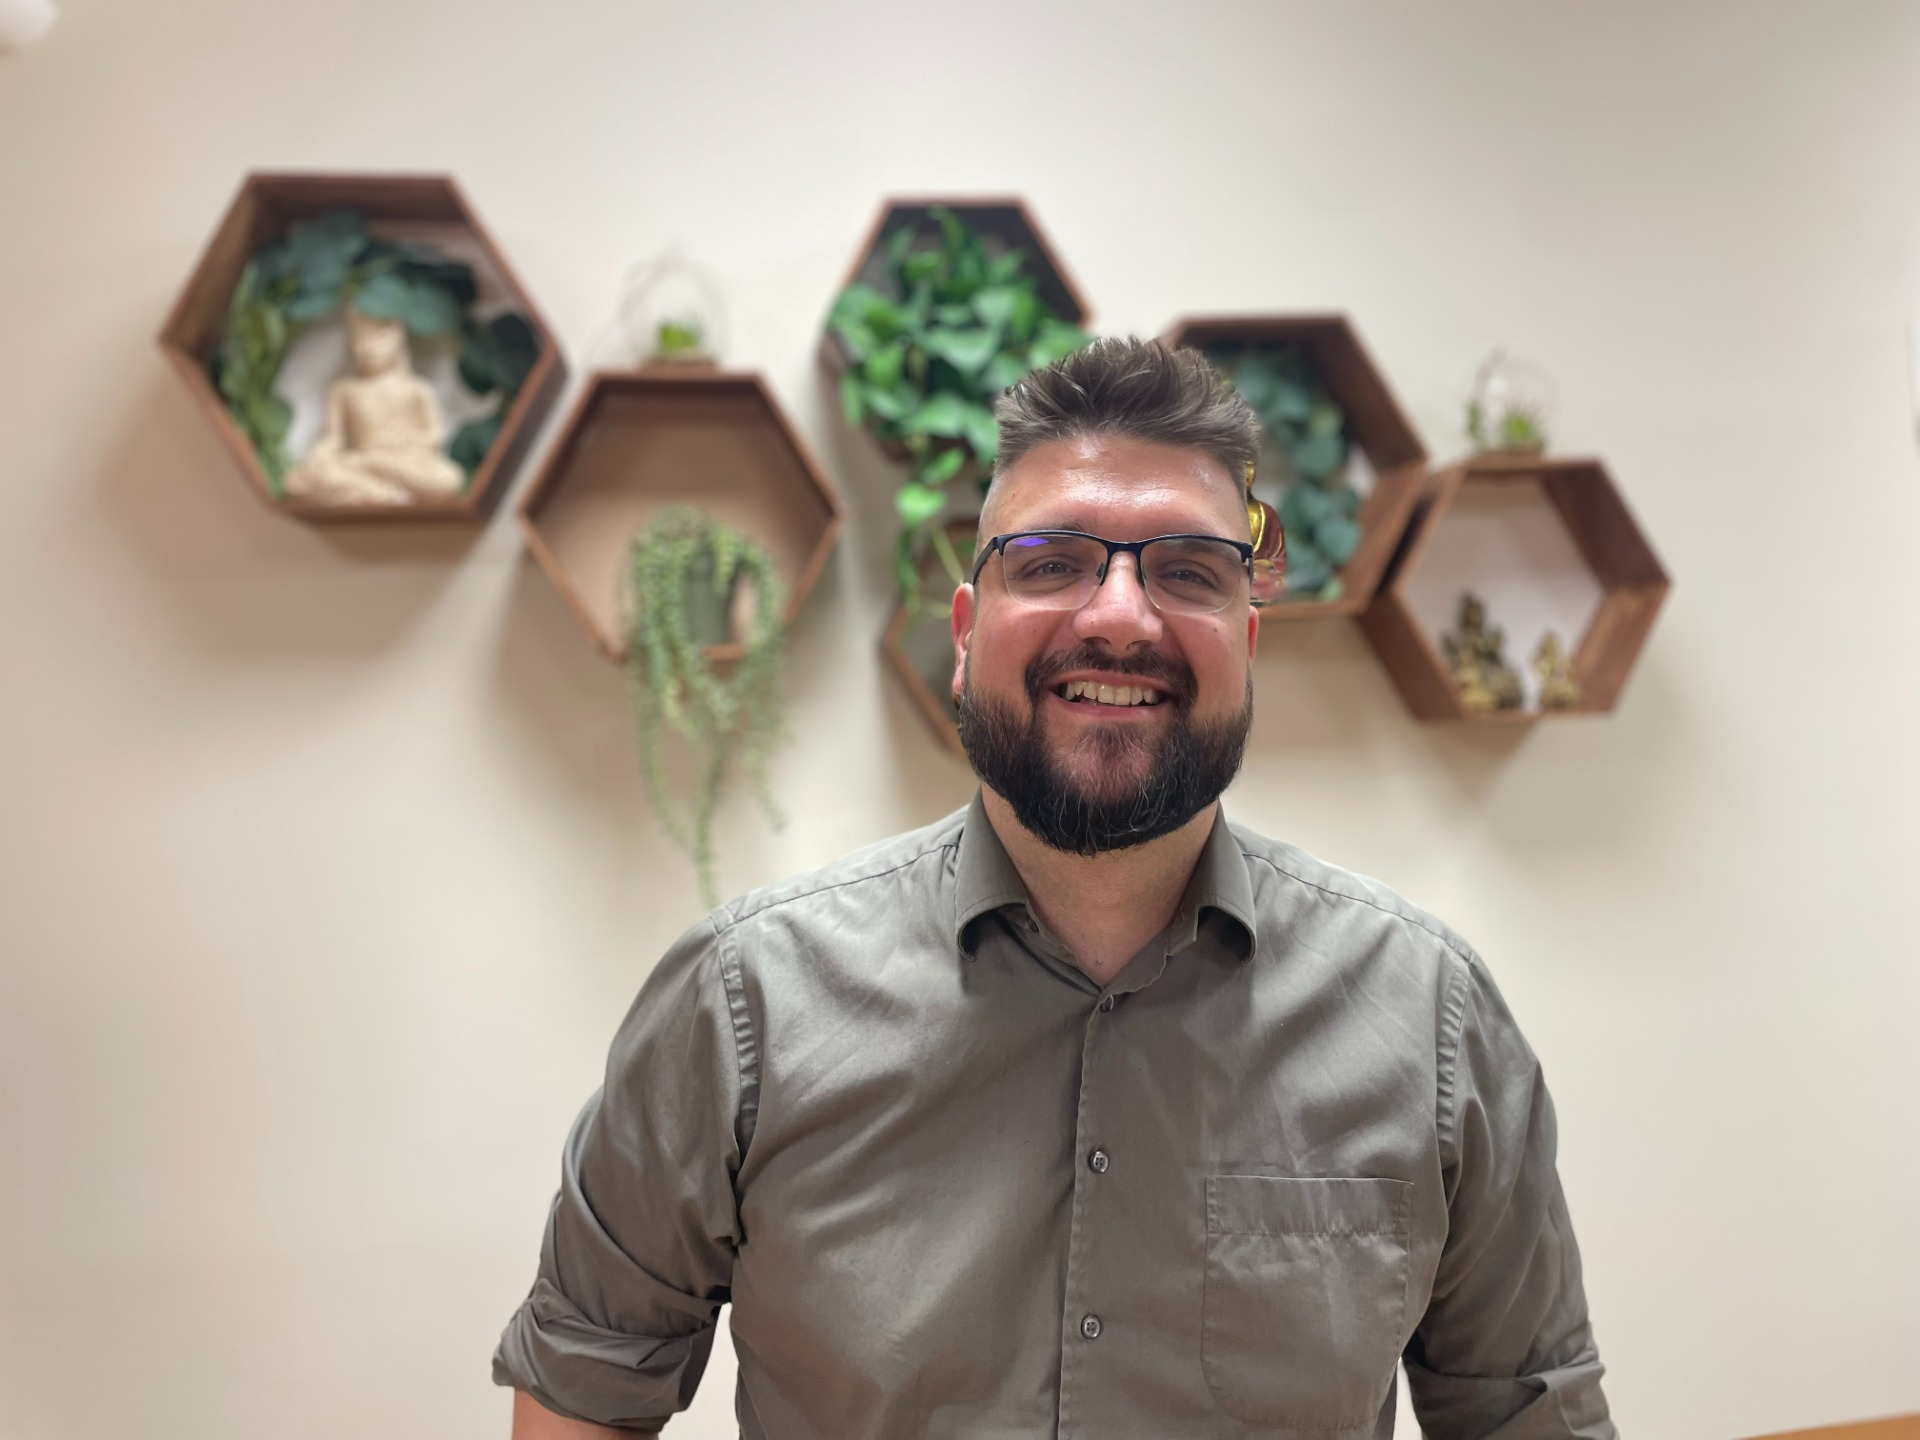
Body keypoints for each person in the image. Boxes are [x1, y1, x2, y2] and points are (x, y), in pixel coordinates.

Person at [494, 338, 1615, 1439]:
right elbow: (585, 1391)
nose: (1120, 615)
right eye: (1049, 563)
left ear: (1246, 644)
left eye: (1189, 571)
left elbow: (1528, 1415)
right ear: (965, 635)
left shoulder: (1428, 1017)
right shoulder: (743, 1002)